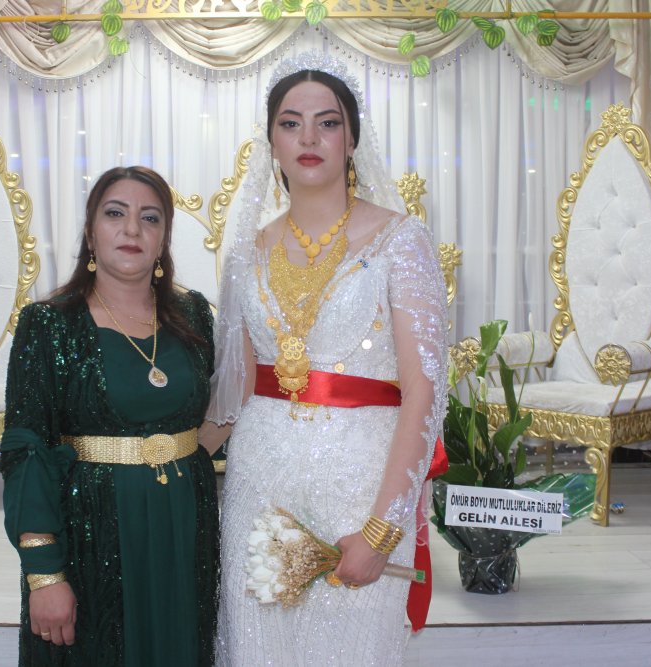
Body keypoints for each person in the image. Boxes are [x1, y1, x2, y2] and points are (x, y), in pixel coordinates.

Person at [205, 52, 449, 665]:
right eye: (290, 124)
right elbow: (233, 393)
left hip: (360, 492)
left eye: (328, 122)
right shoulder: (246, 254)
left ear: (352, 140)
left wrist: (382, 529)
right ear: (271, 143)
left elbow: (424, 393)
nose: (308, 138)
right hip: (258, 487)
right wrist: (146, 456)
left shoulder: (401, 241)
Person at [0, 166, 219, 666]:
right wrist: (44, 573)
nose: (132, 229)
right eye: (115, 214)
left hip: (185, 528)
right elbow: (27, 450)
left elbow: (221, 410)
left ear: (164, 239)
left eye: (151, 218)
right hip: (92, 535)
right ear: (89, 232)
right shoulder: (50, 324)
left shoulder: (194, 317)